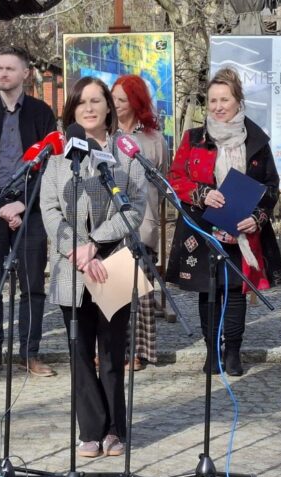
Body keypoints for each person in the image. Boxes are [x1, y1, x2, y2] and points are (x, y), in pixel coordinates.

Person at [40, 76, 147, 458]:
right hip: (73, 266)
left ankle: (114, 429)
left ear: (108, 107)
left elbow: (135, 206)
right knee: (80, 352)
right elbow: (49, 209)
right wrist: (75, 250)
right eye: (81, 101)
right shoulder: (58, 154)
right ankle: (90, 430)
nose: (89, 107)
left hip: (113, 260)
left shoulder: (125, 152)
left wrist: (96, 244)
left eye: (96, 101)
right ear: (72, 108)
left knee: (113, 349)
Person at [165, 68, 281, 377]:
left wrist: (256, 217)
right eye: (213, 100)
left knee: (233, 291)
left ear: (238, 101)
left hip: (241, 230)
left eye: (224, 99)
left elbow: (270, 186)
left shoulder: (255, 140)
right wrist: (202, 193)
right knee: (209, 290)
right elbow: (175, 178)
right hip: (204, 228)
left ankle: (232, 351)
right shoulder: (194, 139)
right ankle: (211, 350)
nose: (218, 106)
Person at [0, 46, 58, 378]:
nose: (2, 73)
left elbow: (50, 164)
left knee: (32, 284)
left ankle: (29, 354)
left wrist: (24, 202)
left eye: (9, 68)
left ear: (25, 73)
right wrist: (2, 205)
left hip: (31, 210)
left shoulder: (41, 113)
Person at [111, 74, 170, 371]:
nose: (115, 104)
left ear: (136, 103)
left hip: (142, 223)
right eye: (113, 98)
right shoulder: (103, 135)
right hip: (108, 225)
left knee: (139, 292)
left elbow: (163, 184)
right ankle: (113, 351)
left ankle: (139, 351)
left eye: (122, 100)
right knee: (112, 293)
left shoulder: (153, 140)